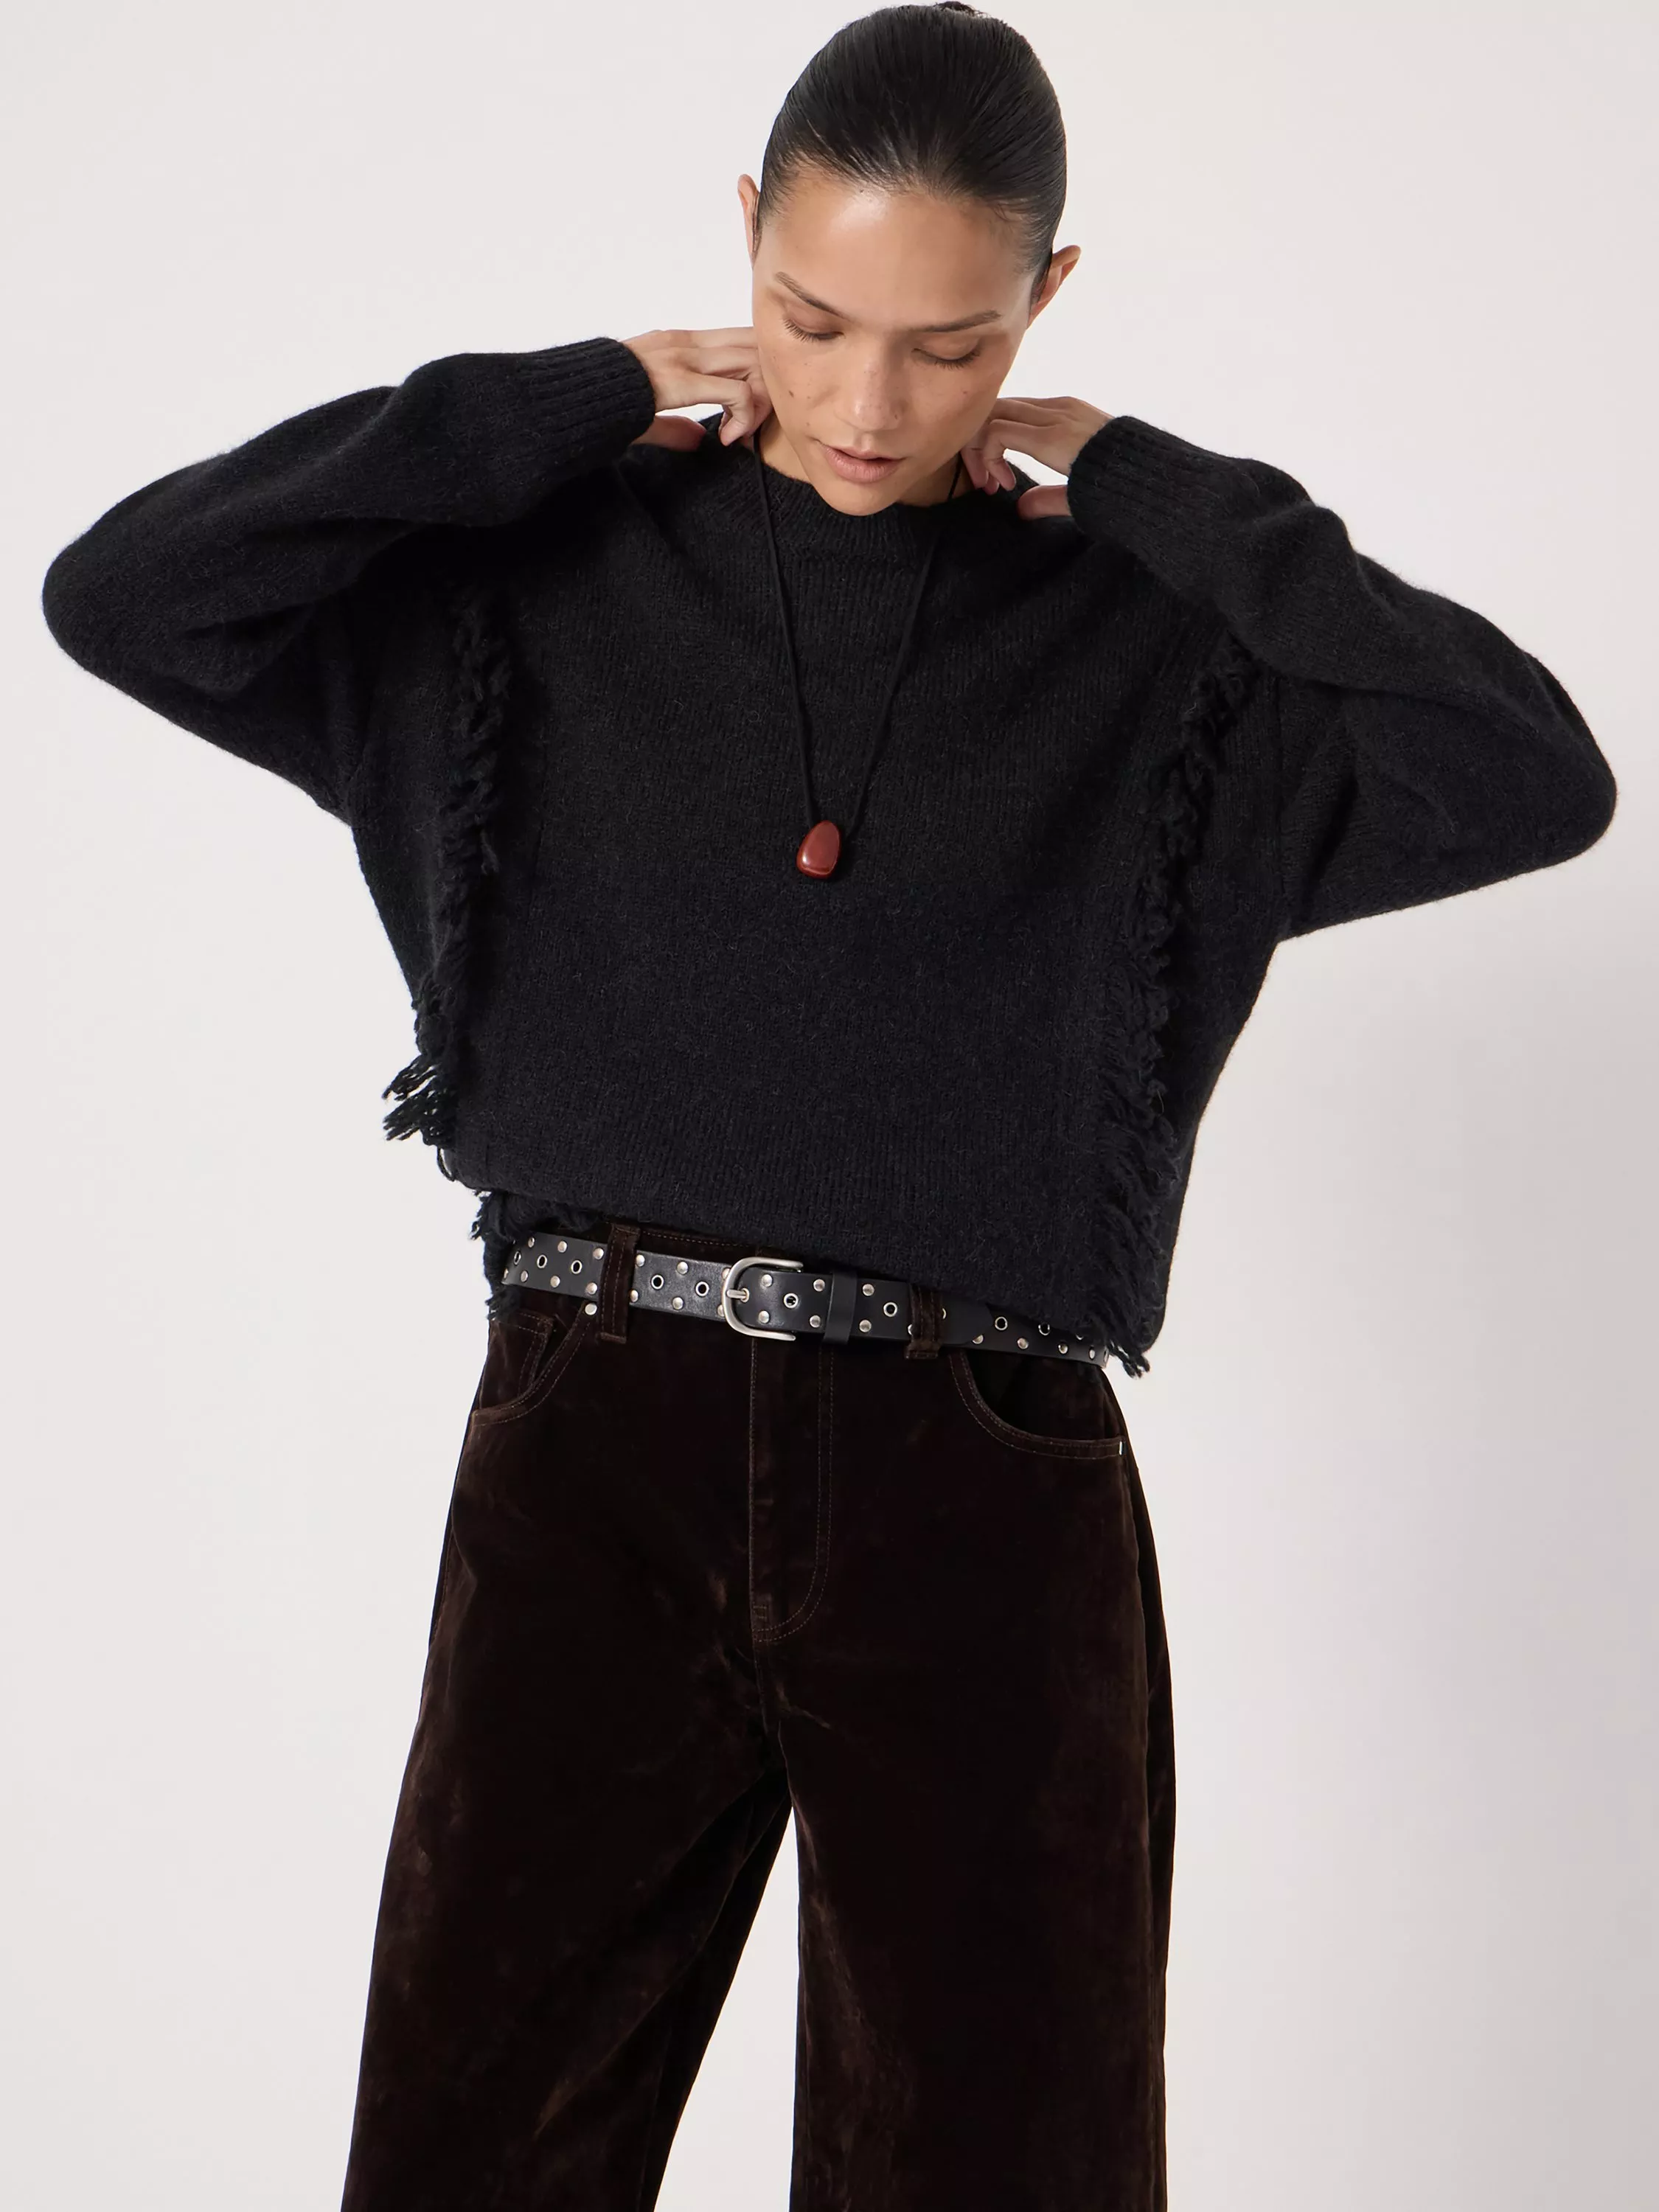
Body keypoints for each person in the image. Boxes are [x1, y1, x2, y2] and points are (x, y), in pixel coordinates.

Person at [39, 4, 1616, 2206]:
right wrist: (563, 397)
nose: (872, 403)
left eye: (952, 345)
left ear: (1046, 304)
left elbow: (1531, 773)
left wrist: (1159, 488)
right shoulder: (540, 590)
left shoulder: (1147, 658)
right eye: (814, 318)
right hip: (596, 1437)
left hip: (981, 1474)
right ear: (743, 243)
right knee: (473, 2157)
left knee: (1001, 2169)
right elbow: (133, 593)